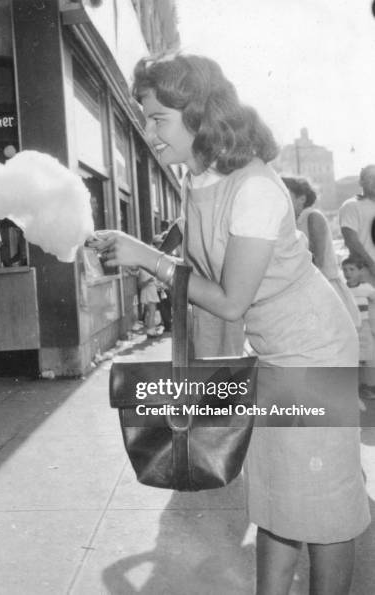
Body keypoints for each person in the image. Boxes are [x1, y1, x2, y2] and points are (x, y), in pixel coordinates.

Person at [89, 53, 369, 595]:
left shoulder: (255, 189)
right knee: (277, 494)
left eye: (156, 119)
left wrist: (147, 259)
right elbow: (203, 261)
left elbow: (231, 301)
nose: (148, 131)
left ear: (196, 117)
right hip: (277, 350)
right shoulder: (201, 180)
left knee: (322, 498)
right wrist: (148, 261)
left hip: (313, 350)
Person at [283, 176, 360, 327]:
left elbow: (317, 260)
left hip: (323, 287)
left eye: (286, 194)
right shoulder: (290, 221)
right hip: (307, 289)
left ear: (302, 198)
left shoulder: (312, 216)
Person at [342, 256, 375, 398]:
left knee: (367, 357)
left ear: (360, 271)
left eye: (352, 269)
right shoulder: (342, 289)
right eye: (345, 270)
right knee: (352, 358)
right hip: (349, 329)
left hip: (364, 327)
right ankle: (353, 389)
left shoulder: (366, 288)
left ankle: (369, 386)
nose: (348, 273)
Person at [339, 164, 375, 285]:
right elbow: (351, 241)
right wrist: (372, 265)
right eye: (371, 178)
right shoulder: (351, 206)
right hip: (365, 272)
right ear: (361, 182)